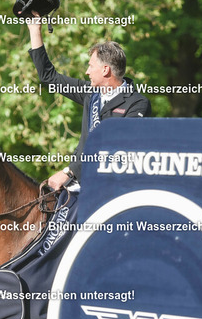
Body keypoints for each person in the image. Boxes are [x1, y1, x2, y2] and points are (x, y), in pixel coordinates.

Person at [27, 14, 152, 190]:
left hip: (113, 187)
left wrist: (70, 171)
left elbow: (115, 147)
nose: (87, 72)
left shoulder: (138, 104)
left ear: (105, 70)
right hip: (80, 181)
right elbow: (50, 77)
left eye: (91, 66)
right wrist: (35, 30)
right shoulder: (91, 93)